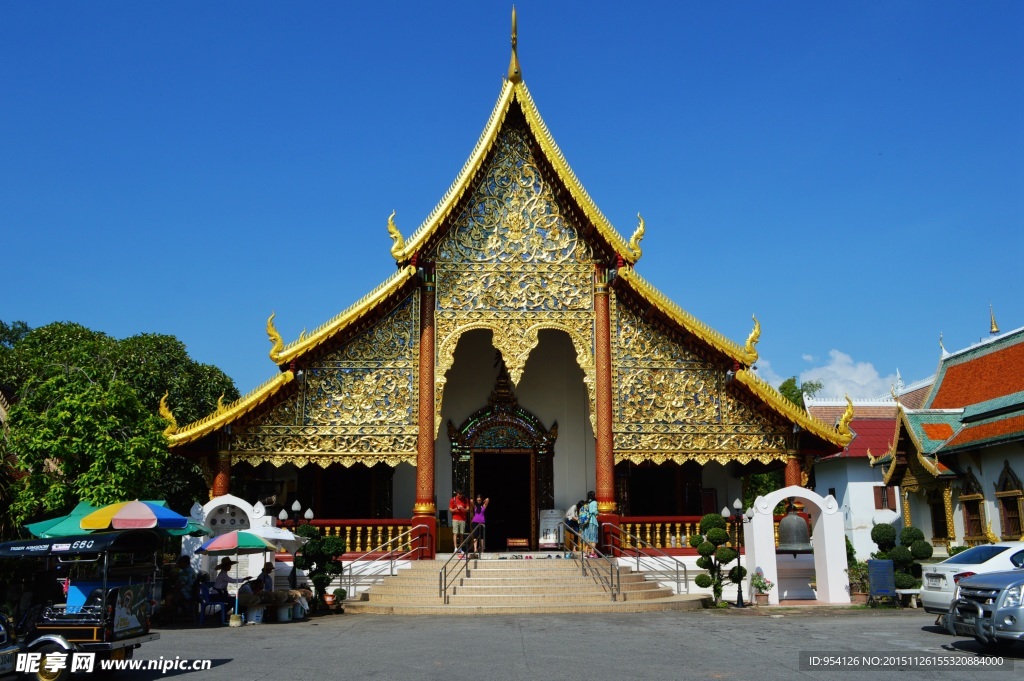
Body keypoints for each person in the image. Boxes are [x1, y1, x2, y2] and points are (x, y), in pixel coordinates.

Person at [449, 490, 470, 555]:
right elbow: (450, 509)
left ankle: (460, 548)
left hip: (462, 519)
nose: (460, 496)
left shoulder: (465, 499)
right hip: (455, 518)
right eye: (458, 494)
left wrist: (463, 509)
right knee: (455, 533)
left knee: (461, 534)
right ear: (457, 494)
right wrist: (456, 509)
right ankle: (455, 548)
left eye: (461, 494)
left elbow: (468, 508)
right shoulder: (453, 500)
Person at [582, 491, 599, 557]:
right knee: (593, 537)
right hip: (592, 521)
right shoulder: (594, 502)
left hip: (586, 522)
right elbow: (593, 511)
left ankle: (586, 552)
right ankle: (592, 552)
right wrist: (598, 512)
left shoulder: (586, 503)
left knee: (587, 537)